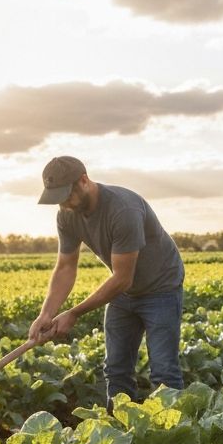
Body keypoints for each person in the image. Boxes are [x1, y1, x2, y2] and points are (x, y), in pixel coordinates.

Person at [30, 156, 186, 409]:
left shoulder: (123, 209)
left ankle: (175, 438)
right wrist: (46, 313)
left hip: (160, 288)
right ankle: (119, 435)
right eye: (57, 197)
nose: (64, 203)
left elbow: (123, 278)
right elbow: (66, 267)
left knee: (163, 372)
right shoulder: (67, 214)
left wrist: (74, 313)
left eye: (66, 195)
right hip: (124, 294)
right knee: (116, 370)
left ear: (83, 180)